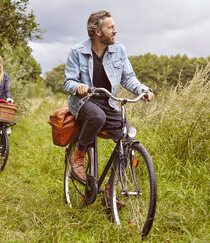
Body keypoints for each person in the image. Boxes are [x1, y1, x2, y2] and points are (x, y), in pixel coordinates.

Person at [63, 10, 155, 183]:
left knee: (128, 140)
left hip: (108, 103)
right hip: (84, 102)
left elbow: (128, 78)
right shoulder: (77, 51)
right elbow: (68, 82)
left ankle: (110, 190)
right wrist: (79, 87)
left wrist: (143, 90)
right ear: (98, 32)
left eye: (114, 27)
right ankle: (78, 154)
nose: (115, 31)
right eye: (110, 27)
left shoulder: (119, 50)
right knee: (97, 116)